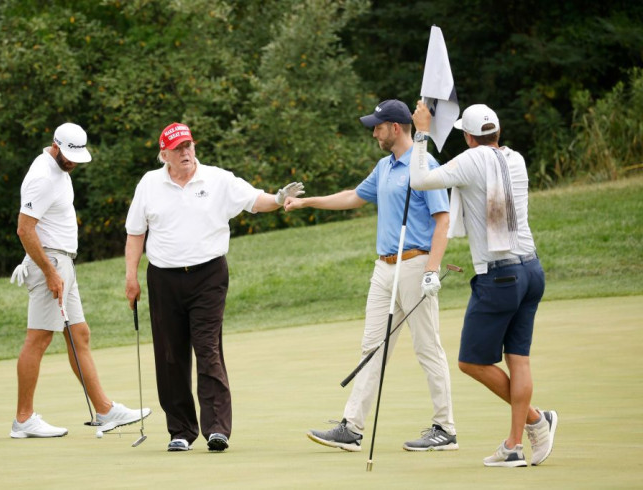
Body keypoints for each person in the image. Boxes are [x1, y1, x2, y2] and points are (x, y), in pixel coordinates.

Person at [285, 99, 457, 452]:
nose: (374, 133)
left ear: (395, 128)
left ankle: (445, 428)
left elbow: (443, 219)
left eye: (378, 127)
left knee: (427, 348)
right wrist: (307, 202)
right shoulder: (384, 166)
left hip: (415, 265)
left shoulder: (424, 165)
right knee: (371, 348)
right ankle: (352, 427)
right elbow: (352, 197)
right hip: (383, 268)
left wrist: (432, 270)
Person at [124, 122, 304, 453]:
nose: (185, 153)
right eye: (177, 149)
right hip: (163, 278)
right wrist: (131, 276)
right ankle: (180, 430)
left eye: (188, 146)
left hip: (208, 276)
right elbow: (136, 232)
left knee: (207, 347)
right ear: (164, 154)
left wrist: (278, 198)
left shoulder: (217, 179)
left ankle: (217, 428)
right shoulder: (150, 184)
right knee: (170, 355)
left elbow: (254, 200)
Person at [409, 101, 558, 467]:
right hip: (532, 270)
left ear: (469, 136)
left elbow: (420, 180)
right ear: (498, 132)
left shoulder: (472, 159)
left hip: (501, 275)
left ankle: (536, 420)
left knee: (471, 362)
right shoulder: (517, 159)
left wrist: (422, 134)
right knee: (518, 360)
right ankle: (514, 443)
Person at [9, 122, 150, 438]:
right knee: (39, 338)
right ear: (55, 146)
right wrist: (49, 272)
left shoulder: (60, 171)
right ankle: (23, 419)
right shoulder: (43, 177)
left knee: (79, 334)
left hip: (62, 263)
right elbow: (24, 229)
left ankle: (105, 409)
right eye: (69, 155)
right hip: (50, 263)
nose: (73, 162)